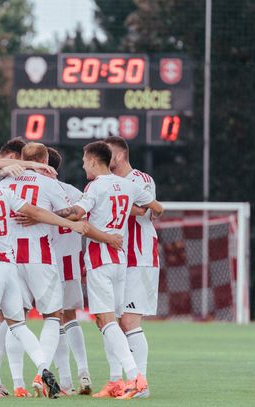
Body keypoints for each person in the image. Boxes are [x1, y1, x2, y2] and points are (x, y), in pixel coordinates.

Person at [0, 152, 91, 399]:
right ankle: (44, 369)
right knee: (20, 326)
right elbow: (35, 212)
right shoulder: (1, 193)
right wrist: (71, 224)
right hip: (8, 267)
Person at [54, 141, 163, 400]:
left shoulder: (111, 184)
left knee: (116, 321)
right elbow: (157, 208)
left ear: (94, 160)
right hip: (122, 259)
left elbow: (78, 215)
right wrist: (128, 207)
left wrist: (45, 215)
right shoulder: (127, 186)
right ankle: (116, 380)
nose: (82, 165)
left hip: (115, 258)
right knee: (106, 320)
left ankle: (137, 378)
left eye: (84, 161)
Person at [105, 136, 160, 398]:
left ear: (120, 156)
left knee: (128, 320)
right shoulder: (104, 183)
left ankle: (141, 383)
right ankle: (118, 380)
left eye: (108, 154)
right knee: (110, 320)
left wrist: (110, 202)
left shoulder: (141, 179)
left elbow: (148, 211)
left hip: (139, 257)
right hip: (115, 258)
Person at [45, 147, 92, 396]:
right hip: (71, 260)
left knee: (52, 319)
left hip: (45, 262)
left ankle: (64, 380)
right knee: (71, 317)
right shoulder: (74, 192)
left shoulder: (40, 190)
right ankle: (83, 370)